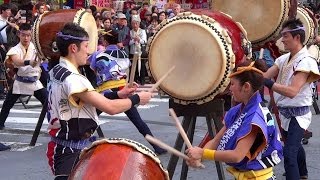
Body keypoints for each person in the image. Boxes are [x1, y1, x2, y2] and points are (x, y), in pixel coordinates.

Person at [46, 23, 153, 180]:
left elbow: (89, 102)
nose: (89, 51)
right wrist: (137, 98)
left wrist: (119, 94)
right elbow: (110, 108)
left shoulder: (56, 71)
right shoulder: (73, 79)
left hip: (64, 146)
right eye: (86, 46)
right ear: (73, 48)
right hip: (70, 151)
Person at [186, 61, 283, 179]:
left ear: (246, 87)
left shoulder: (256, 116)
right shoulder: (238, 110)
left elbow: (237, 155)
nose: (230, 88)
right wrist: (199, 156)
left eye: (232, 84)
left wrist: (202, 153)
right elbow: (217, 140)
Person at [88, 29, 166, 155]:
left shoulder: (99, 55)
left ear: (105, 41)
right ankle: (157, 147)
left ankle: (80, 141)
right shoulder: (123, 54)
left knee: (91, 116)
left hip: (107, 91)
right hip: (123, 89)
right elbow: (125, 69)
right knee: (137, 120)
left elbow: (91, 67)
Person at [263, 18, 320, 180]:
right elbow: (265, 76)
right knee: (294, 146)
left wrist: (268, 83)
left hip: (298, 116)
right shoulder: (283, 59)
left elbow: (293, 91)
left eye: (285, 35)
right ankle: (302, 174)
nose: (282, 39)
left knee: (288, 154)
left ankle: (296, 174)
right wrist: (249, 70)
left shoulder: (306, 61)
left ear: (297, 37)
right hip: (284, 114)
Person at [0, 23, 47, 130]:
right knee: (8, 104)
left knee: (48, 102)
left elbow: (45, 56)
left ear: (31, 35)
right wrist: (29, 62)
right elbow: (16, 60)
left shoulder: (36, 47)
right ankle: (0, 123)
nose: (26, 38)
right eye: (23, 35)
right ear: (19, 34)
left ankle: (55, 124)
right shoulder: (15, 49)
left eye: (28, 35)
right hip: (20, 82)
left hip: (34, 82)